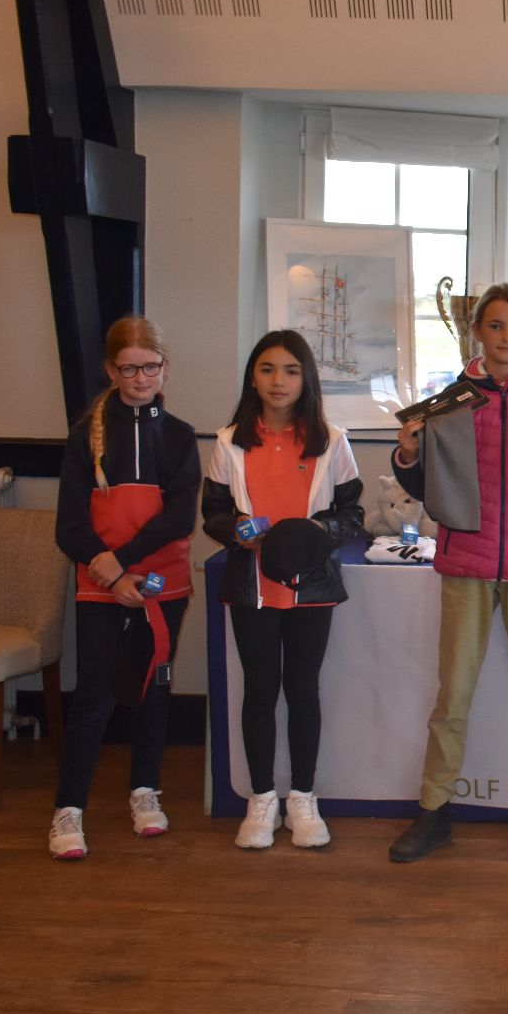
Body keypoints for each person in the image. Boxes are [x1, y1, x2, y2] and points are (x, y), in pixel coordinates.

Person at [387, 284, 508, 864]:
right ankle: (433, 812)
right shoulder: (453, 398)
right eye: (495, 326)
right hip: (466, 565)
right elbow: (426, 482)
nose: (506, 337)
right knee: (452, 699)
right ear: (477, 332)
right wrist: (407, 455)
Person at [202, 329, 364, 851]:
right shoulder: (228, 441)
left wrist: (316, 533)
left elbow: (352, 514)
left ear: (306, 378)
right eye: (268, 369)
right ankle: (261, 800)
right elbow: (212, 514)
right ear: (253, 376)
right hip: (251, 584)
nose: (279, 381)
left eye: (291, 371)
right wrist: (237, 531)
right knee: (259, 690)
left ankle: (303, 798)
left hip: (311, 586)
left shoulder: (332, 440)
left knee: (303, 689)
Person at [49, 317, 200, 860]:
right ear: (111, 371)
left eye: (150, 367)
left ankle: (144, 791)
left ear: (165, 368)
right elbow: (69, 527)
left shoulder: (180, 436)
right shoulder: (83, 436)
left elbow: (178, 518)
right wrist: (112, 574)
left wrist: (126, 564)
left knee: (154, 686)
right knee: (94, 694)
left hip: (163, 585)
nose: (141, 379)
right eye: (130, 369)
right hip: (102, 586)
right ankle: (68, 809)